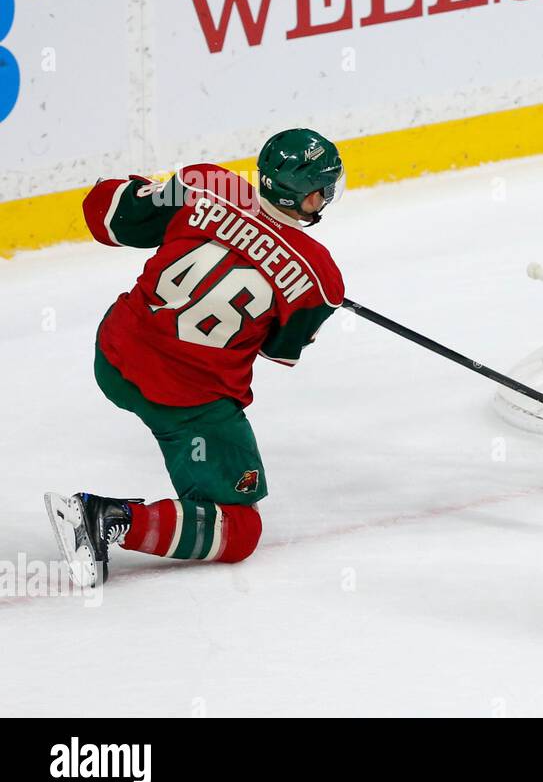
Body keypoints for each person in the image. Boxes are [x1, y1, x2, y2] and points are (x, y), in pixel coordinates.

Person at [45, 129, 346, 587]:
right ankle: (108, 518)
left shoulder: (206, 183)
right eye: (322, 188)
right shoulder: (319, 278)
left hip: (115, 354)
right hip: (185, 399)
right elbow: (277, 351)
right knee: (239, 529)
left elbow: (108, 216)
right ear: (305, 196)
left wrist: (146, 193)